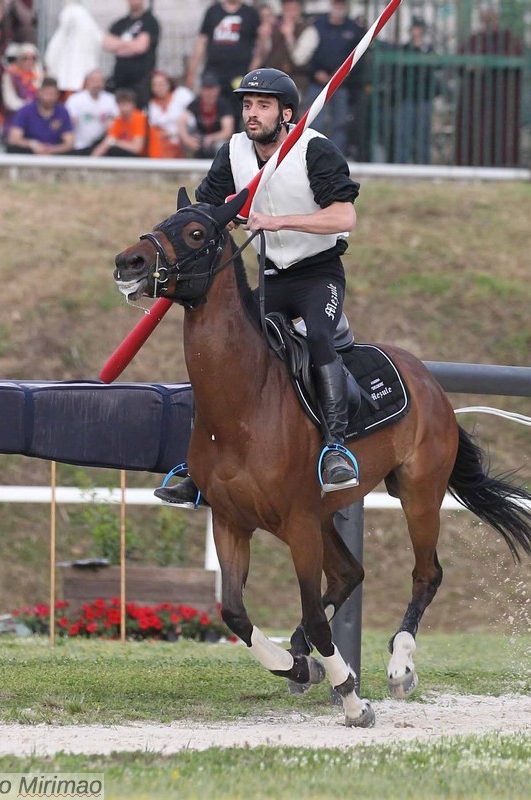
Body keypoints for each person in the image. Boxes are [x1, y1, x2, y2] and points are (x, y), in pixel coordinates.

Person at [156, 67, 360, 505]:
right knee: (226, 348)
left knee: (320, 336)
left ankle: (336, 448)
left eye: (262, 106)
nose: (252, 114)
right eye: (247, 105)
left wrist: (278, 220)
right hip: (270, 277)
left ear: (287, 114)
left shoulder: (314, 150)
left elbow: (345, 217)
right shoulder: (232, 151)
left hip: (317, 275)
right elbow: (208, 209)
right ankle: (197, 462)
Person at [455, 5, 522, 167]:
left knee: (501, 135)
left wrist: (487, 65)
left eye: (491, 17)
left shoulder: (508, 39)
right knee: (476, 136)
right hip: (476, 100)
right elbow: (461, 62)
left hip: (502, 100)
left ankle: (503, 165)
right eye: (486, 17)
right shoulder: (475, 39)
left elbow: (515, 62)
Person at [305, 0, 362, 157]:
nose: (338, 7)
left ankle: (336, 158)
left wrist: (345, 72)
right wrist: (315, 72)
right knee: (314, 122)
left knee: (340, 124)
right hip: (317, 81)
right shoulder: (317, 25)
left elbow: (359, 56)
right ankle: (311, 156)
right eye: (336, 3)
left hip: (342, 83)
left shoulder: (354, 28)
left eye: (341, 4)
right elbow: (307, 53)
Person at [390, 17, 437, 165]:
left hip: (423, 98)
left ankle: (423, 164)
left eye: (418, 28)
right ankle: (402, 164)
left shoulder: (428, 49)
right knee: (404, 134)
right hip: (407, 97)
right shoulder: (404, 49)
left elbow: (433, 69)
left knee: (423, 135)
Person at [186, 0, 260, 92]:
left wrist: (253, 71)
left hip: (241, 72)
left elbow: (258, 45)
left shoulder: (250, 13)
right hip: (214, 72)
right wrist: (192, 72)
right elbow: (201, 42)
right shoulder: (213, 11)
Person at [102, 0, 159, 107]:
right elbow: (106, 44)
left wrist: (119, 46)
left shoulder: (149, 21)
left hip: (141, 82)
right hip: (120, 80)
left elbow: (140, 47)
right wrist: (131, 45)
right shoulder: (120, 23)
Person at [257, 0, 315, 95]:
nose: (289, 13)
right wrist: (262, 39)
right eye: (286, 9)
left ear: (299, 9)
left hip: (295, 81)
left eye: (293, 9)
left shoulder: (308, 30)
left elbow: (299, 60)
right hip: (271, 80)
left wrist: (289, 37)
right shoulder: (274, 27)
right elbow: (263, 56)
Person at [5, 75, 72, 154]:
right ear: (39, 93)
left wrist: (51, 149)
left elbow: (69, 142)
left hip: (54, 154)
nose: (49, 98)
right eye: (47, 94)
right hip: (29, 152)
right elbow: (14, 137)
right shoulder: (26, 110)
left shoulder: (62, 112)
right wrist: (33, 145)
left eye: (53, 94)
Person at [177, 70, 234, 158]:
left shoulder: (223, 105)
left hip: (217, 139)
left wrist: (211, 138)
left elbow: (227, 131)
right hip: (199, 138)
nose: (209, 93)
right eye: (206, 89)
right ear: (201, 90)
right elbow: (181, 122)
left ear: (218, 90)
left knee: (222, 146)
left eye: (212, 90)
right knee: (183, 142)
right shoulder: (196, 103)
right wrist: (187, 140)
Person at [66, 67, 118, 155]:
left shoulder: (111, 99)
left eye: (100, 81)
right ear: (86, 82)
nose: (97, 84)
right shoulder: (75, 99)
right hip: (79, 146)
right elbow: (68, 123)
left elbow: (118, 121)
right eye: (93, 81)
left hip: (102, 147)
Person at [144, 68, 192, 158]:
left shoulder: (182, 94)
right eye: (155, 85)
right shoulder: (150, 105)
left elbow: (192, 119)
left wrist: (175, 132)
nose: (159, 88)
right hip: (162, 139)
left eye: (162, 84)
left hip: (184, 134)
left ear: (168, 83)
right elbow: (152, 126)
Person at [89, 85, 144, 157]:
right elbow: (107, 142)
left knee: (114, 150)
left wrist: (115, 142)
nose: (123, 108)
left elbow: (137, 148)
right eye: (120, 104)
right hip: (125, 155)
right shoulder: (118, 120)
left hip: (142, 157)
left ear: (133, 105)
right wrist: (91, 160)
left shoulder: (139, 118)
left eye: (126, 104)